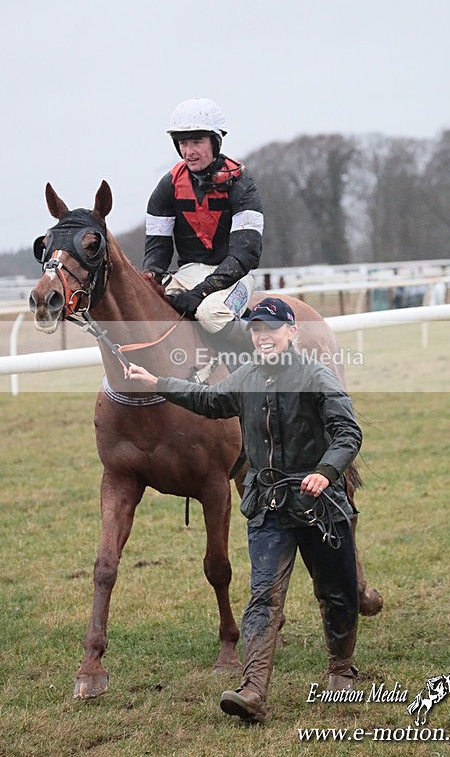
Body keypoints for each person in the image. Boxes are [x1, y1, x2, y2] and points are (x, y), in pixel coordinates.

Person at [126, 297, 362, 724]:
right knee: (263, 599)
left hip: (319, 506)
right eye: (255, 330)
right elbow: (210, 399)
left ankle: (341, 669)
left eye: (271, 329)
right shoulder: (246, 376)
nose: (262, 336)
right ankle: (252, 690)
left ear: (291, 332)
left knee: (337, 591)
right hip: (269, 506)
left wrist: (326, 473)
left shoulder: (317, 376)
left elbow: (348, 432)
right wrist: (157, 380)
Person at [143, 97, 264, 345]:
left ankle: (263, 361)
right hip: (188, 273)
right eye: (183, 143)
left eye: (197, 141)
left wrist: (201, 292)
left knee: (211, 315)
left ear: (215, 142)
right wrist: (151, 278)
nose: (189, 151)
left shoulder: (242, 184)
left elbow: (246, 254)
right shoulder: (168, 186)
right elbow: (158, 248)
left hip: (235, 276)